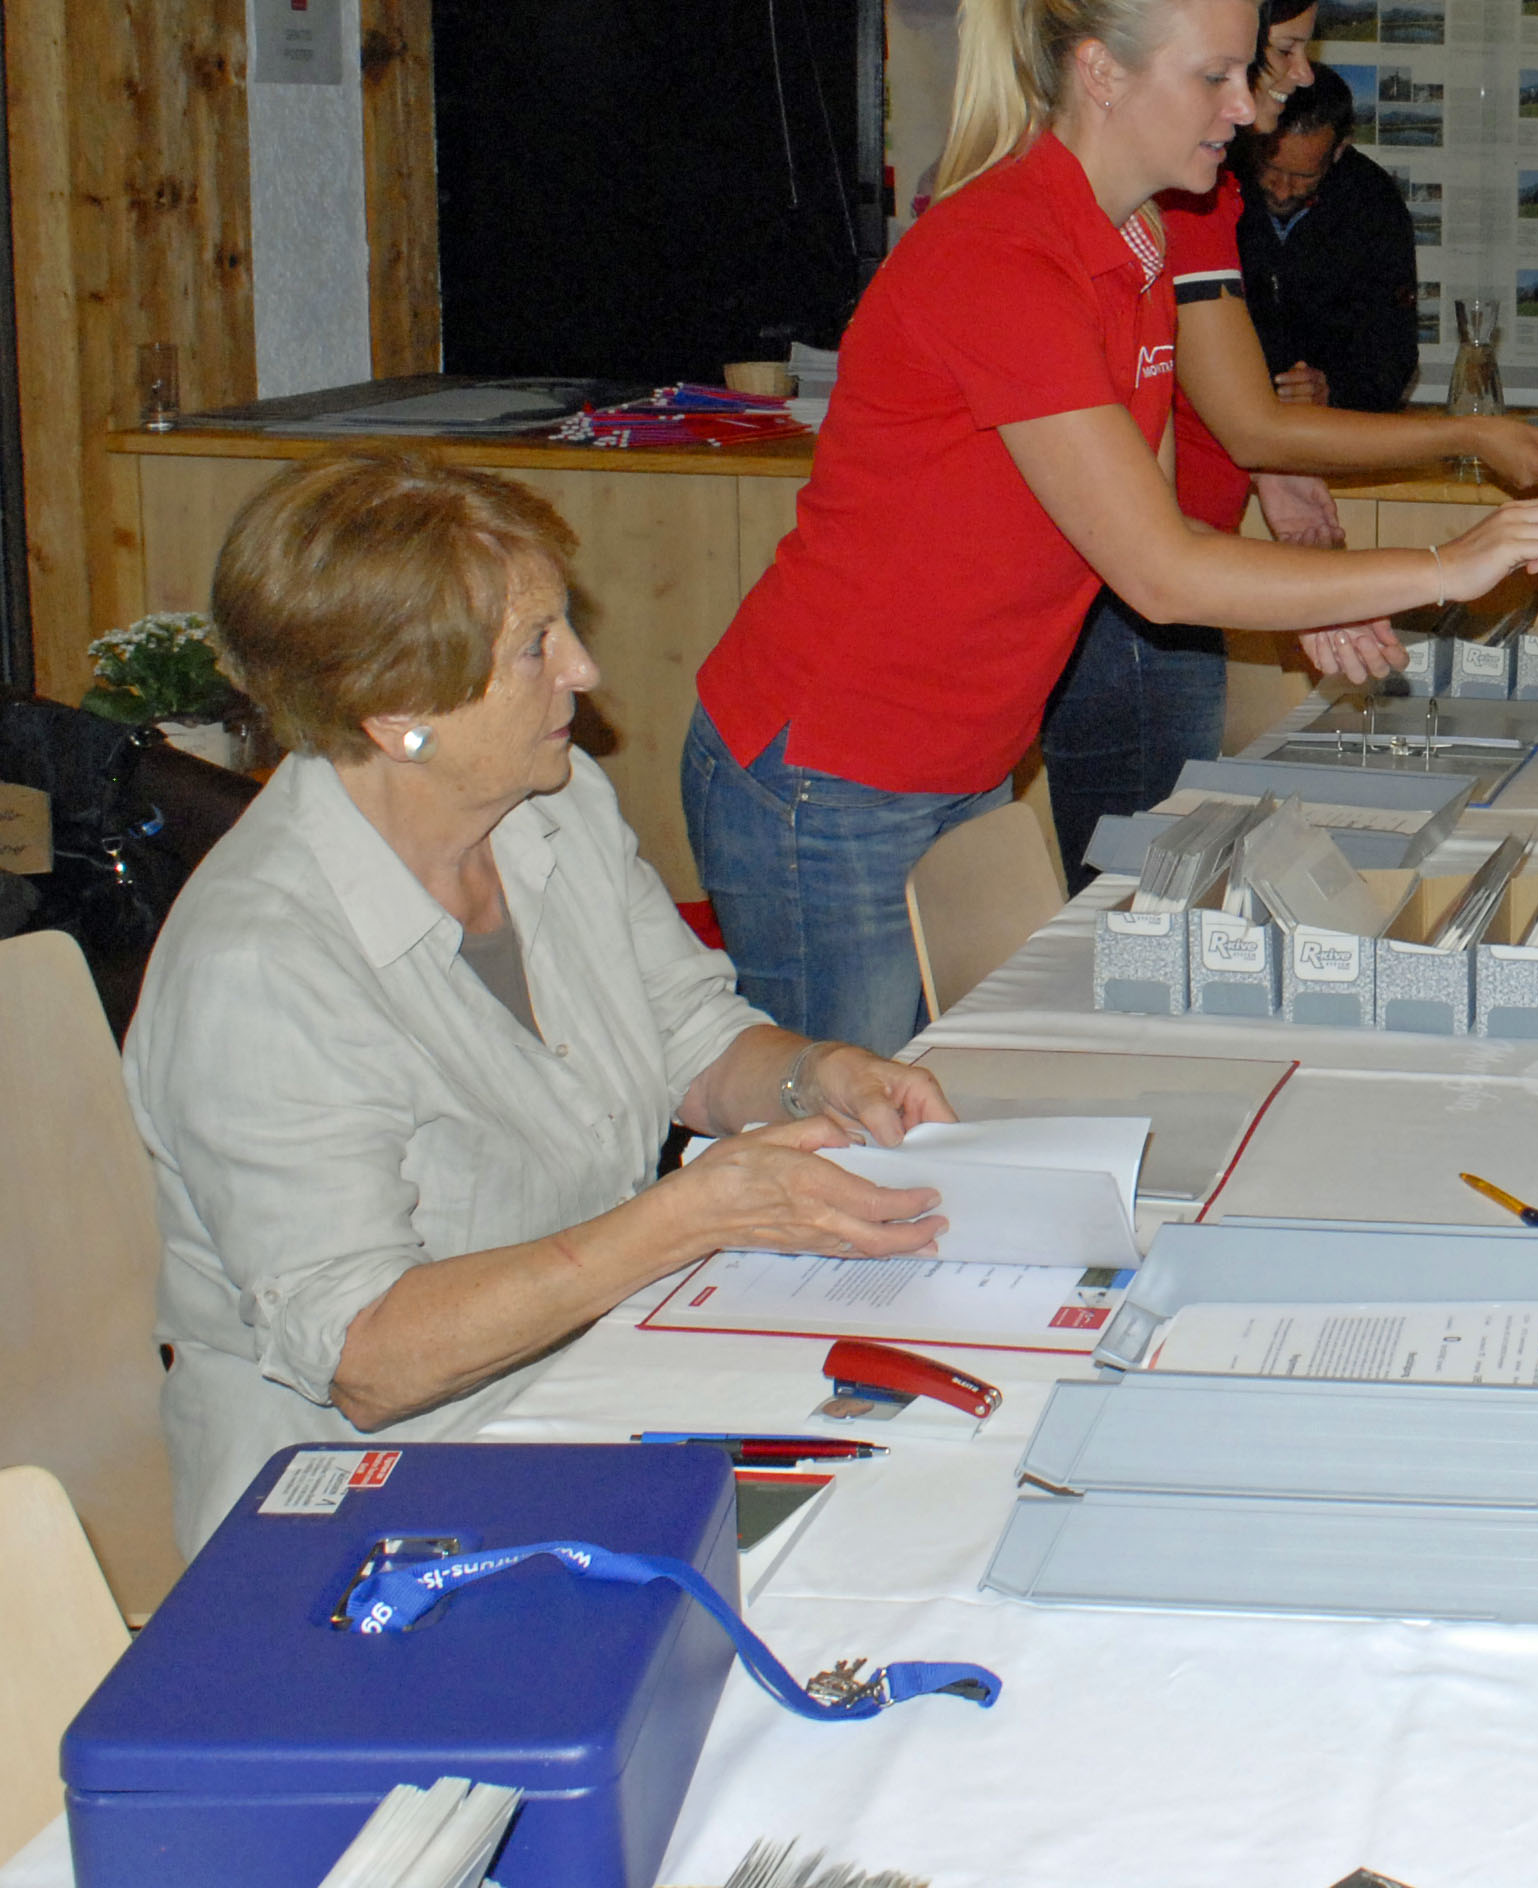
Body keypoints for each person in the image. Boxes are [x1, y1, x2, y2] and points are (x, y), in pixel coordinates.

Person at [686, 0, 1538, 1049]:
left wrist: (1319, 593)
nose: (1248, 109)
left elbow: (1150, 530)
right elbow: (1161, 574)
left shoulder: (1142, 244)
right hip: (831, 766)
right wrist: (1444, 566)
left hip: (955, 754)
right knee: (834, 1126)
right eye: (1215, 76)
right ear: (1100, 72)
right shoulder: (1001, 255)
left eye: (1247, 74)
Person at [124, 451, 959, 1554]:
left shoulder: (548, 810)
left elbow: (690, 1039)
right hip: (375, 1509)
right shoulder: (264, 965)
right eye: (535, 644)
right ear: (395, 708)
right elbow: (366, 1357)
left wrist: (818, 1075)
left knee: (939, 1486)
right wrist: (688, 1216)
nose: (582, 666)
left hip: (595, 1393)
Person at [1042, 0, 1538, 879]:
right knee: (1134, 889)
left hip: (1170, 579)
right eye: (1262, 58)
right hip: (1107, 614)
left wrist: (1280, 491)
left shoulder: (1167, 216)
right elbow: (1230, 448)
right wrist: (1442, 541)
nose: (1281, 86)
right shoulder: (1105, 224)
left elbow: (1191, 441)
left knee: (1154, 883)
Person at [1234, 64, 1420, 415]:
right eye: (1271, 169)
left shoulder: (1373, 203)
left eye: (1303, 176)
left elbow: (1393, 350)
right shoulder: (1216, 185)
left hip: (1330, 423)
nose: (1282, 190)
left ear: (1338, 150)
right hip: (1224, 412)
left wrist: (1334, 390)